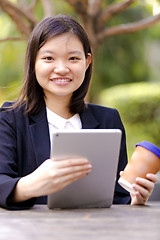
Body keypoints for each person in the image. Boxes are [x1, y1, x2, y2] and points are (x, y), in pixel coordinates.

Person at [0, 14, 158, 210]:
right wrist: (30, 185)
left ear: (87, 61)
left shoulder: (109, 120)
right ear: (33, 62)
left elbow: (118, 197)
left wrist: (135, 199)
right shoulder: (9, 118)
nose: (61, 68)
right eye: (48, 58)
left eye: (73, 58)